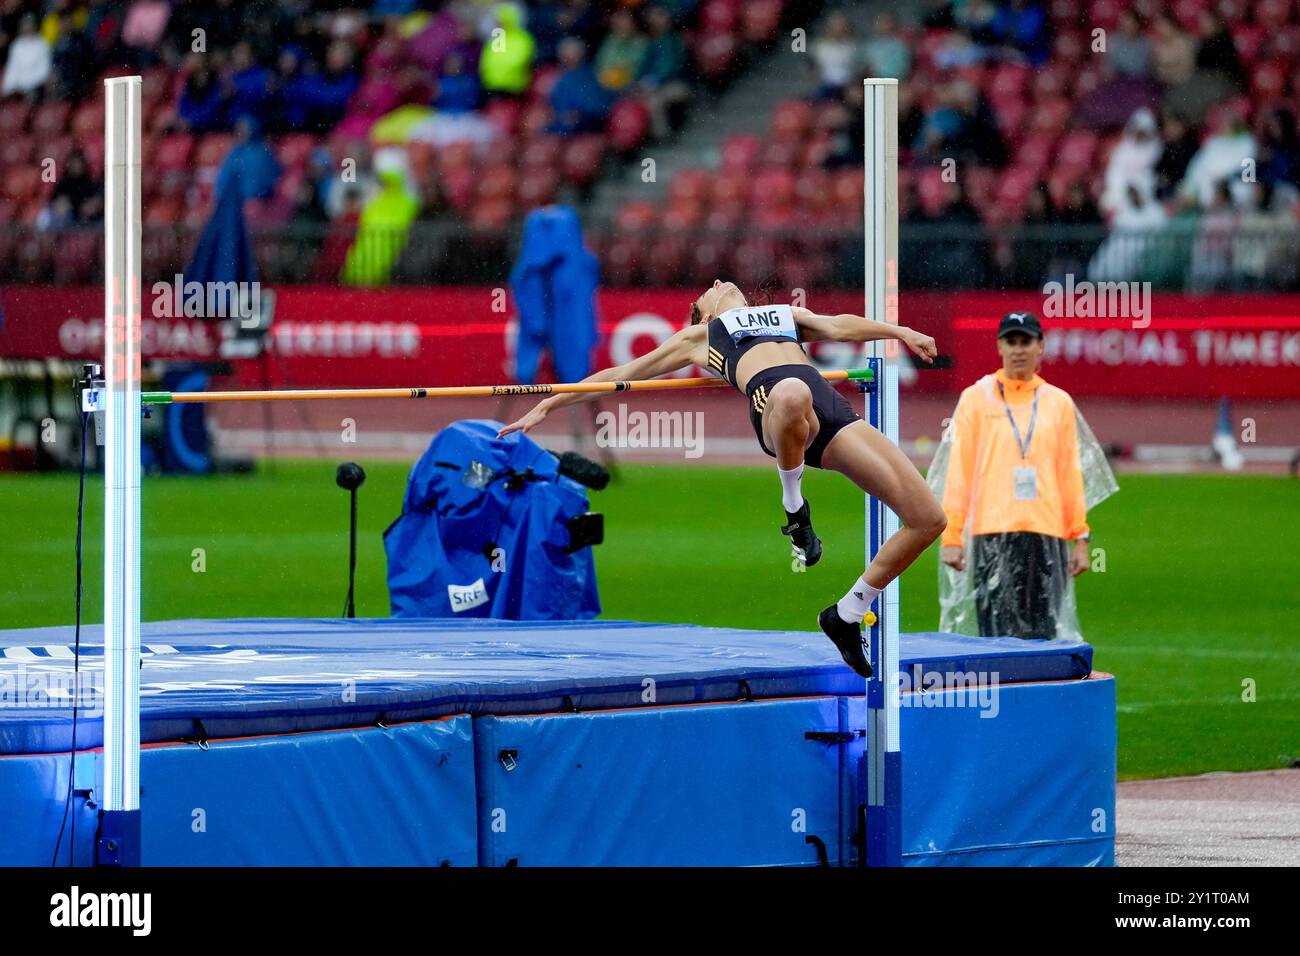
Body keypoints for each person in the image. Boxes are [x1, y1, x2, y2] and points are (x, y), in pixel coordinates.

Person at [499, 280, 946, 678]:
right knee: (793, 392)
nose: (716, 282)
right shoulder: (701, 335)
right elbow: (622, 375)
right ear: (707, 314)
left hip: (831, 413)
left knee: (928, 519)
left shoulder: (785, 316)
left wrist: (900, 332)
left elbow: (840, 326)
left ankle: (848, 613)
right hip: (778, 410)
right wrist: (550, 403)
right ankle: (795, 508)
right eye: (705, 293)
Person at [930, 312, 1116, 641]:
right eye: (1011, 341)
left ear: (1040, 346)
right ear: (999, 346)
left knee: (1043, 636)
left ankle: (1036, 694)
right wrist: (952, 537)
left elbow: (1069, 473)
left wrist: (1081, 537)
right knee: (996, 638)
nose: (1018, 350)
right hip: (992, 532)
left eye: (1026, 342)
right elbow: (960, 471)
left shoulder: (1058, 402)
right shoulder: (976, 398)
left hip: (1047, 532)